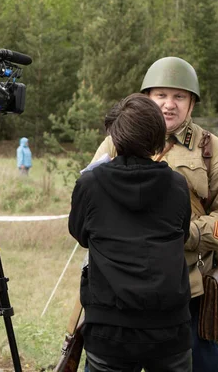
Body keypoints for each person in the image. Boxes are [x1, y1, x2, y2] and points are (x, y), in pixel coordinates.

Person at [92, 57, 218, 372]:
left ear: (191, 103)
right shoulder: (115, 143)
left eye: (179, 96)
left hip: (188, 289)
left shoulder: (212, 150)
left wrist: (187, 236)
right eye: (161, 95)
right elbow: (90, 201)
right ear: (146, 98)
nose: (169, 105)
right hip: (120, 288)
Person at [70, 93, 193, 371]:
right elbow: (182, 234)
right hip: (169, 328)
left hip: (108, 328)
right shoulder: (176, 185)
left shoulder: (90, 184)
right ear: (157, 135)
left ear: (115, 137)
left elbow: (80, 234)